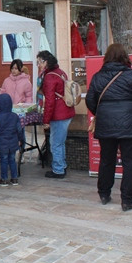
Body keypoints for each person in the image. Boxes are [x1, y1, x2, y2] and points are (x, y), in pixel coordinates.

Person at [86, 43, 132, 211]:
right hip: (131, 124)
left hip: (106, 125)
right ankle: (127, 200)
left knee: (107, 160)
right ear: (125, 57)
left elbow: (90, 101)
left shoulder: (97, 77)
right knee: (130, 162)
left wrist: (102, 112)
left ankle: (104, 193)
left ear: (106, 57)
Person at [37, 50, 75, 179]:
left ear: (45, 62)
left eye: (39, 62)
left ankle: (58, 169)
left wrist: (46, 120)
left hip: (59, 114)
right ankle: (61, 165)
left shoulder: (49, 77)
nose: (38, 65)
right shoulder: (60, 72)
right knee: (60, 141)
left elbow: (50, 102)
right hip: (66, 111)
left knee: (55, 143)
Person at [0, 93, 24, 186]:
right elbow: (19, 130)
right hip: (13, 142)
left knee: (3, 160)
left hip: (1, 143)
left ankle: (4, 179)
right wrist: (21, 140)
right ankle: (14, 178)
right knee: (12, 160)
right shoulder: (15, 116)